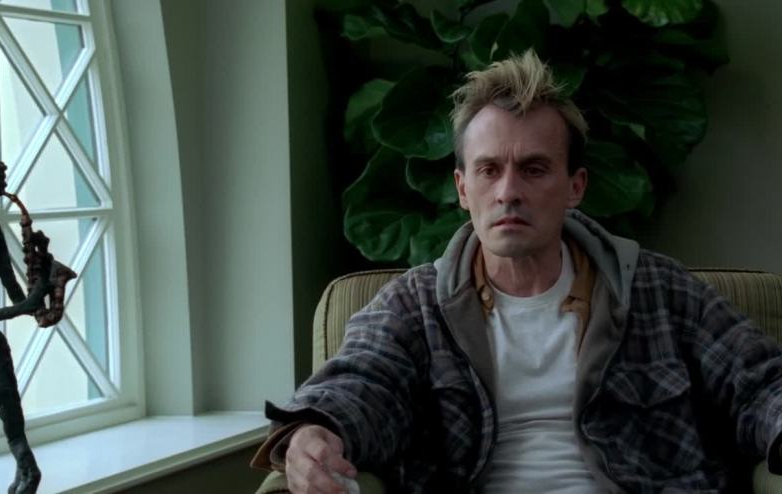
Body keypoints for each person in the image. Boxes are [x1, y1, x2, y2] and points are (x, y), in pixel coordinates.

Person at [251, 51, 782, 493]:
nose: (508, 191)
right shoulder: (414, 306)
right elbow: (362, 382)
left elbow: (760, 383)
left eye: (533, 168)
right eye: (489, 169)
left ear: (575, 187)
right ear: (463, 189)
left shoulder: (657, 289)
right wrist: (315, 431)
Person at [0, 162, 52, 494]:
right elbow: (16, 302)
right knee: (6, 401)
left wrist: (41, 270)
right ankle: (29, 470)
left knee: (7, 401)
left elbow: (11, 287)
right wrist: (35, 298)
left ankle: (27, 470)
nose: (4, 185)